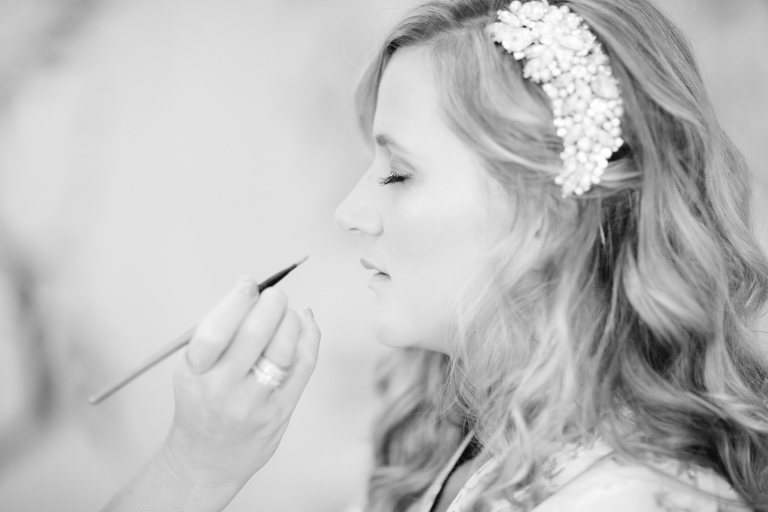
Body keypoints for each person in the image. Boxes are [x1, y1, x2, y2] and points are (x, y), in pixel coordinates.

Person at [102, 0, 768, 511]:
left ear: (549, 211)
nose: (349, 214)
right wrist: (197, 463)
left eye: (397, 173)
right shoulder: (457, 442)